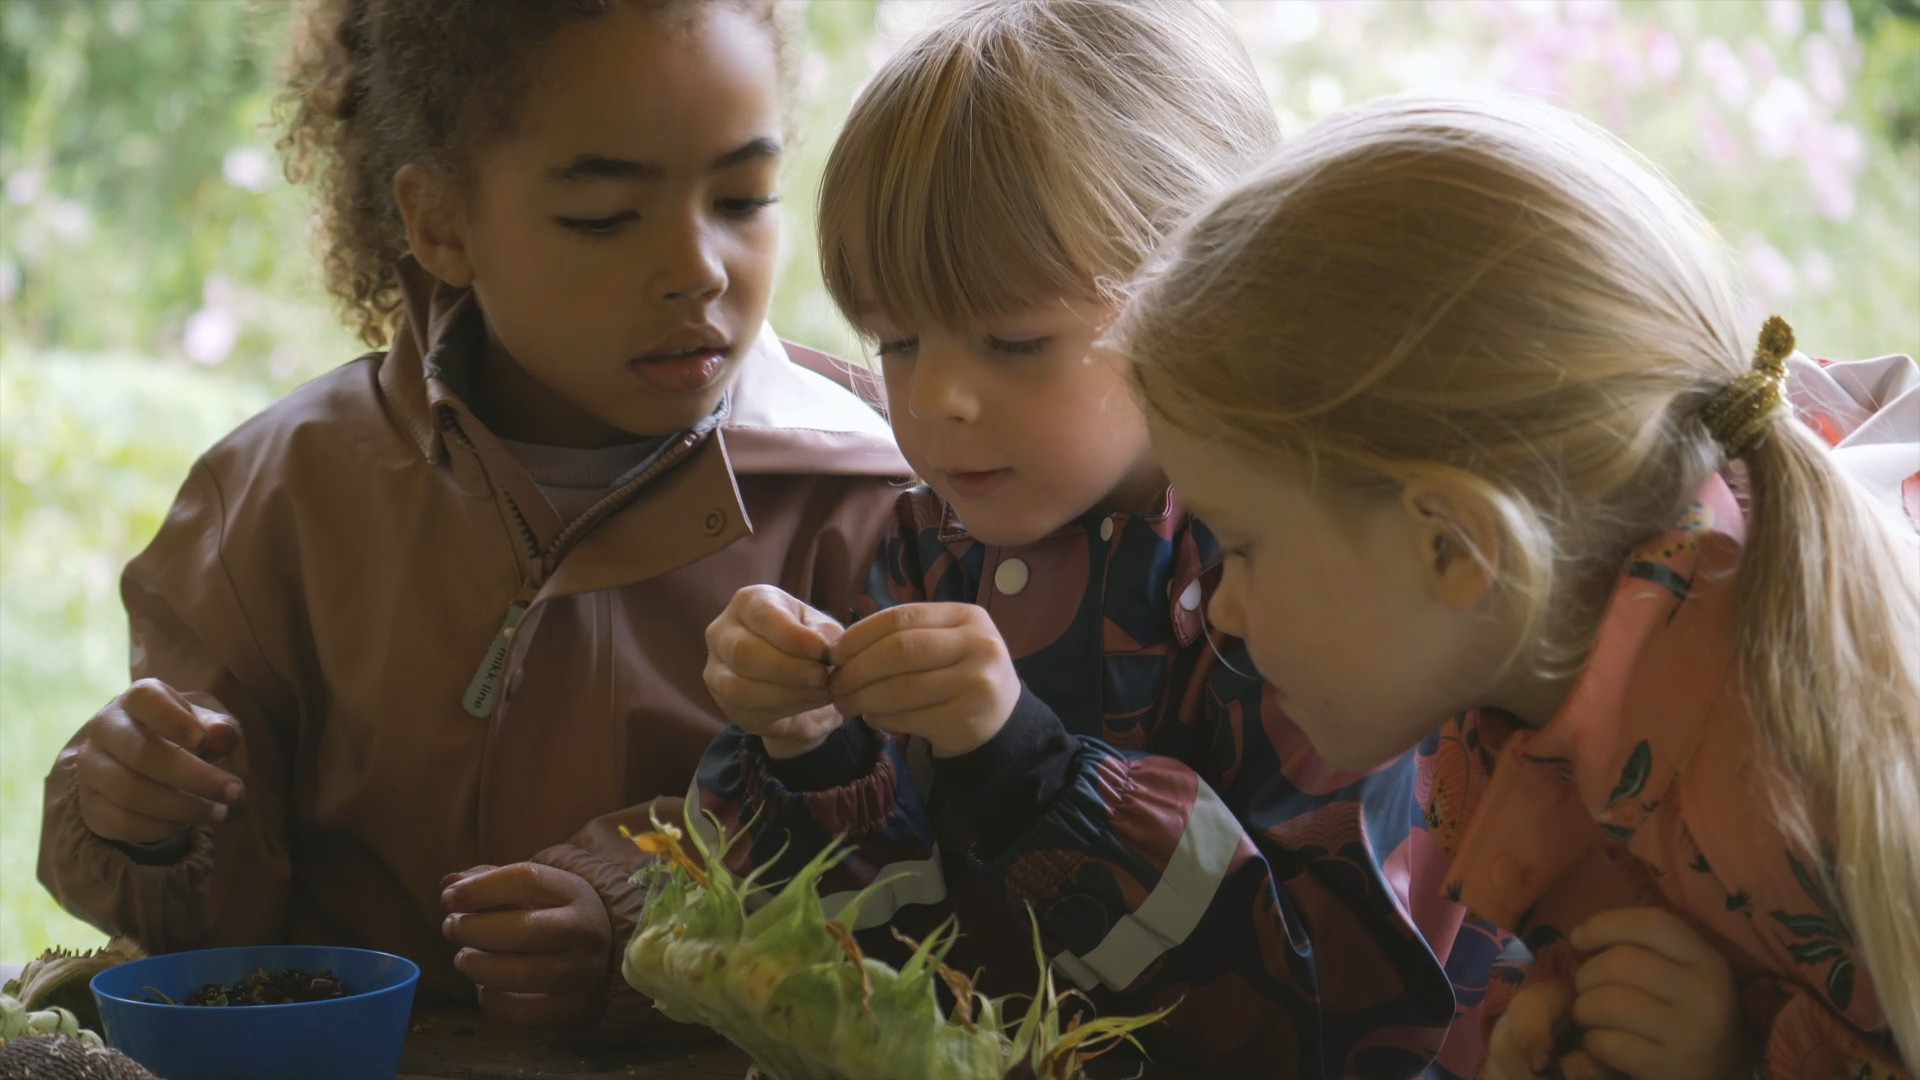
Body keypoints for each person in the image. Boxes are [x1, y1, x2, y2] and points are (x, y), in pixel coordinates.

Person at [36, 0, 906, 1035]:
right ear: (440, 222)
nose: (699, 268)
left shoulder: (868, 497)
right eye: (603, 216)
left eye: (744, 196)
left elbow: (911, 881)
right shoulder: (276, 500)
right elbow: (214, 942)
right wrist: (137, 819)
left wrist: (639, 920)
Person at [695, 4, 1504, 1076]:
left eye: (1013, 341)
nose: (936, 397)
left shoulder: (1307, 584)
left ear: (1208, 294)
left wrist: (1030, 773)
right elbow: (879, 971)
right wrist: (813, 752)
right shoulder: (926, 550)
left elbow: (1336, 1015)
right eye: (894, 338)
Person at [1123, 90, 1918, 1079]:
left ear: (1457, 549)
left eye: (1239, 547)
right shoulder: (1514, 681)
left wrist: (1739, 1059)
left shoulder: (1798, 777)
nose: (1225, 609)